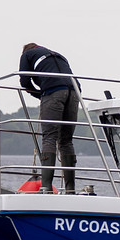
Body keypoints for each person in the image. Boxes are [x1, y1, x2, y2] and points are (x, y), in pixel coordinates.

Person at [18, 41, 82, 194]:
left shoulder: (27, 55)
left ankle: (45, 187)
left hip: (53, 91)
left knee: (49, 137)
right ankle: (70, 189)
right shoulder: (58, 56)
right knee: (66, 140)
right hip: (74, 93)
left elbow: (24, 81)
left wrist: (39, 95)